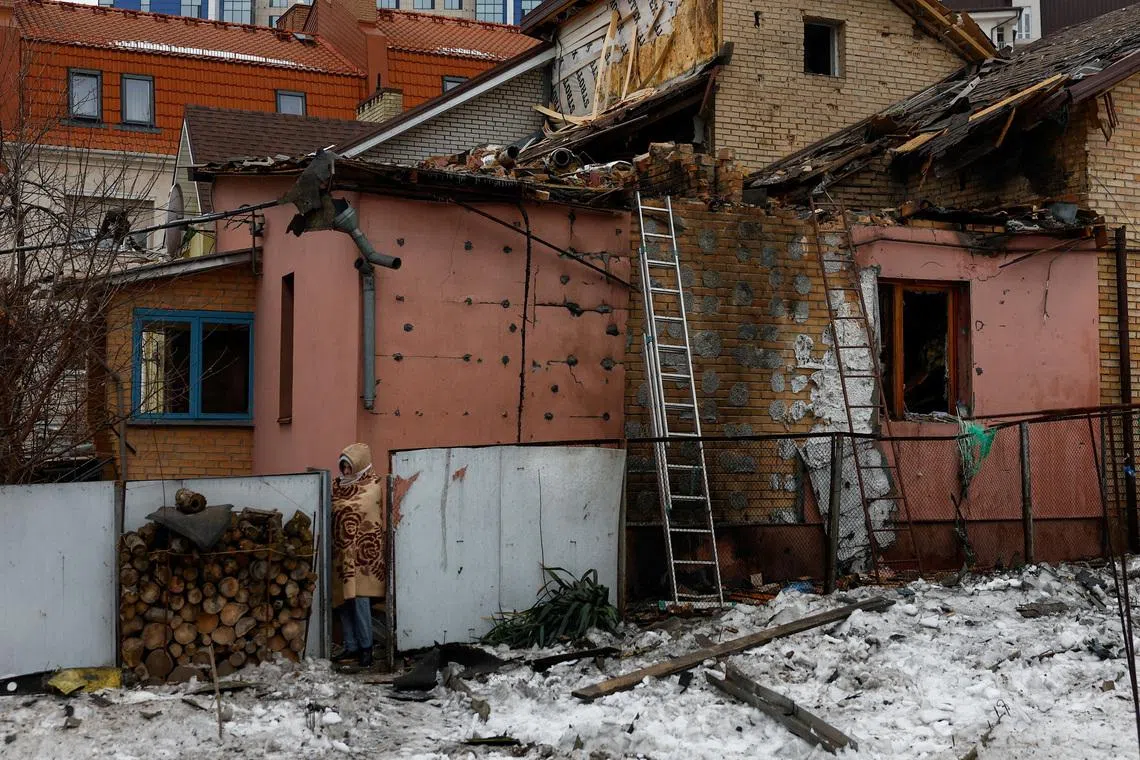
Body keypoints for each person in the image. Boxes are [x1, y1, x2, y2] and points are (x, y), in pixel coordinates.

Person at [331, 443, 385, 668]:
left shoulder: (372, 486)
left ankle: (366, 648)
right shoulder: (337, 487)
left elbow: (360, 509)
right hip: (341, 554)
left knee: (360, 602)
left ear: (359, 466)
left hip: (363, 556)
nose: (345, 472)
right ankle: (351, 645)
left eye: (349, 467)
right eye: (343, 467)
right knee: (343, 602)